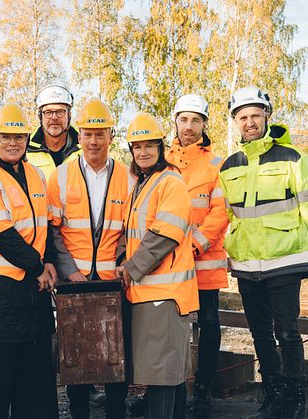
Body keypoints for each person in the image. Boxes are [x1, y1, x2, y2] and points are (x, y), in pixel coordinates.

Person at [220, 86, 308, 419]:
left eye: (255, 115)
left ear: (267, 115)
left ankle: (294, 399)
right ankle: (273, 396)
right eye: (243, 117)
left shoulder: (293, 157)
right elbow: (228, 215)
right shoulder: (228, 166)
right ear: (236, 122)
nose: (249, 122)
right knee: (260, 334)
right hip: (247, 264)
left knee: (287, 332)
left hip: (285, 261)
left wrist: (297, 244)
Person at [0, 103, 59, 419]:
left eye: (18, 137)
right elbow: (1, 234)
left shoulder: (35, 175)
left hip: (31, 292)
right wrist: (38, 267)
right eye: (5, 137)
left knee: (34, 382)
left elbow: (43, 225)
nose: (12, 143)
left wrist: (47, 263)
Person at [47, 98, 133, 419]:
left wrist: (123, 263)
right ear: (78, 136)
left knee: (115, 351)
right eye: (87, 134)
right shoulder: (59, 176)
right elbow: (53, 230)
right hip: (75, 281)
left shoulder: (128, 177)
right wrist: (69, 271)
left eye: (100, 134)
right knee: (76, 353)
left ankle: (115, 411)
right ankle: (79, 411)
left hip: (113, 280)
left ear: (111, 135)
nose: (94, 141)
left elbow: (130, 228)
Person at [118, 112, 199, 419]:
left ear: (161, 147)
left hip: (164, 293)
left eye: (150, 145)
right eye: (137, 146)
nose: (143, 151)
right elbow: (133, 235)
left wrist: (129, 269)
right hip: (150, 292)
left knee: (162, 373)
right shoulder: (143, 183)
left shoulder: (170, 182)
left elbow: (164, 235)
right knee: (168, 371)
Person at [165, 94, 229, 418]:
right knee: (166, 327)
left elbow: (221, 212)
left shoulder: (216, 165)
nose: (188, 127)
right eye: (183, 119)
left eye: (195, 120)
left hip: (203, 262)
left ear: (204, 124)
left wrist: (194, 245)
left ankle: (203, 390)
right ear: (175, 122)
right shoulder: (162, 161)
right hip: (167, 265)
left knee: (208, 324)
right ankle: (162, 389)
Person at [27, 85, 82, 177]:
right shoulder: (26, 151)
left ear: (69, 115)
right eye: (48, 112)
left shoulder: (85, 150)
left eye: (60, 112)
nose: (54, 117)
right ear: (41, 117)